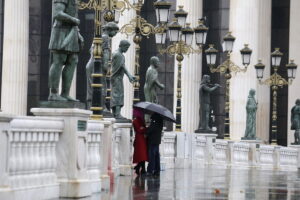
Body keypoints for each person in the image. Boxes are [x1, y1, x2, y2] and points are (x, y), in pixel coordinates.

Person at [48, 0, 84, 101]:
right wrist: (73, 20)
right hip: (60, 32)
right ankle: (53, 93)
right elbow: (57, 14)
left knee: (73, 60)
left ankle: (65, 93)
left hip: (72, 31)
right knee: (59, 61)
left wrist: (78, 32)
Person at [86, 22, 119, 110]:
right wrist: (106, 66)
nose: (115, 34)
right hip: (97, 64)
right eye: (115, 32)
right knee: (102, 85)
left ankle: (91, 106)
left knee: (91, 87)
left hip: (90, 64)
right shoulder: (106, 37)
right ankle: (101, 106)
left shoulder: (98, 37)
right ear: (110, 30)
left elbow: (91, 51)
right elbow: (106, 52)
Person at [111, 40, 136, 119]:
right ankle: (117, 114)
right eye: (126, 47)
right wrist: (129, 76)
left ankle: (116, 113)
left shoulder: (119, 54)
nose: (127, 49)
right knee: (118, 95)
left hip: (117, 78)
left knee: (117, 94)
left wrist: (129, 76)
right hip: (117, 78)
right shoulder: (118, 55)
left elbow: (122, 66)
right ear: (122, 46)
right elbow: (122, 66)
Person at [132, 108, 148, 175]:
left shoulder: (141, 120)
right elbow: (139, 130)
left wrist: (143, 128)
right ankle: (142, 169)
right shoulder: (135, 121)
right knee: (141, 155)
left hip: (142, 139)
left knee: (142, 155)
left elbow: (143, 129)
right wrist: (143, 128)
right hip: (139, 140)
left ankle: (138, 168)